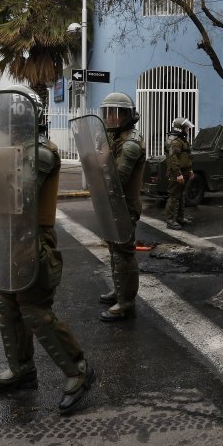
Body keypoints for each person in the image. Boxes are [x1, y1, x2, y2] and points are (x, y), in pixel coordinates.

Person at [0, 85, 95, 415]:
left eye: (7, 122)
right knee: (8, 306)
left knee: (34, 310)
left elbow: (20, 194)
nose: (4, 128)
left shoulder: (42, 152)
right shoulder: (15, 149)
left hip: (32, 243)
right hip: (8, 240)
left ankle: (79, 370)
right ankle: (21, 370)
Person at [97, 92, 147, 322]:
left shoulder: (130, 144)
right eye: (107, 113)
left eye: (116, 113)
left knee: (124, 253)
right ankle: (120, 290)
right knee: (114, 250)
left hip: (125, 205)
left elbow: (117, 178)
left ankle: (126, 302)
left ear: (128, 115)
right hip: (113, 203)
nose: (111, 117)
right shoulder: (114, 137)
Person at [164, 117, 195, 230]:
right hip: (176, 173)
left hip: (185, 172)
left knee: (181, 196)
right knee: (173, 197)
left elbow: (186, 156)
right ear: (180, 128)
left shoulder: (182, 139)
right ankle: (170, 221)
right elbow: (173, 159)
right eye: (186, 127)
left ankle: (180, 218)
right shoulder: (174, 141)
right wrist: (178, 174)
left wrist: (190, 170)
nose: (188, 129)